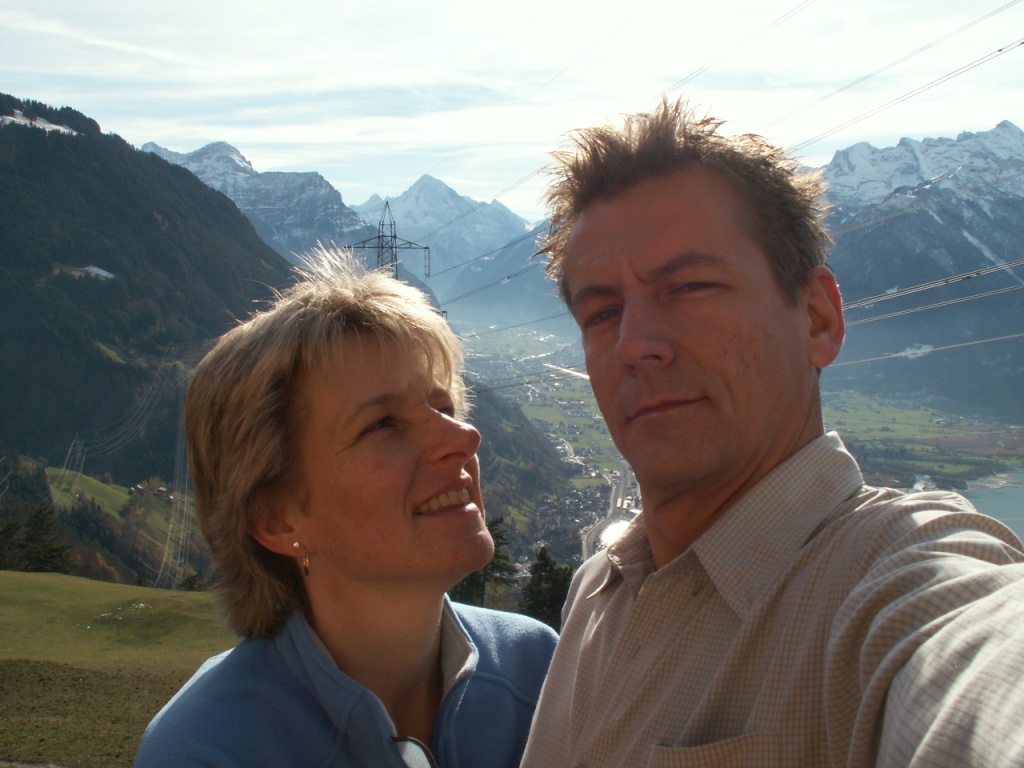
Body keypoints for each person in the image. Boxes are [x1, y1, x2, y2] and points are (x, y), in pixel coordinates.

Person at [520, 98, 1024, 767]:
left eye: (690, 287)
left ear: (817, 319)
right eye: (601, 313)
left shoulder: (893, 579)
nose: (634, 343)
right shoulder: (596, 593)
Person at [134, 247, 557, 768]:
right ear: (277, 518)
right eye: (382, 424)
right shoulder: (210, 750)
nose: (464, 436)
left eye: (444, 407)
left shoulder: (540, 667)